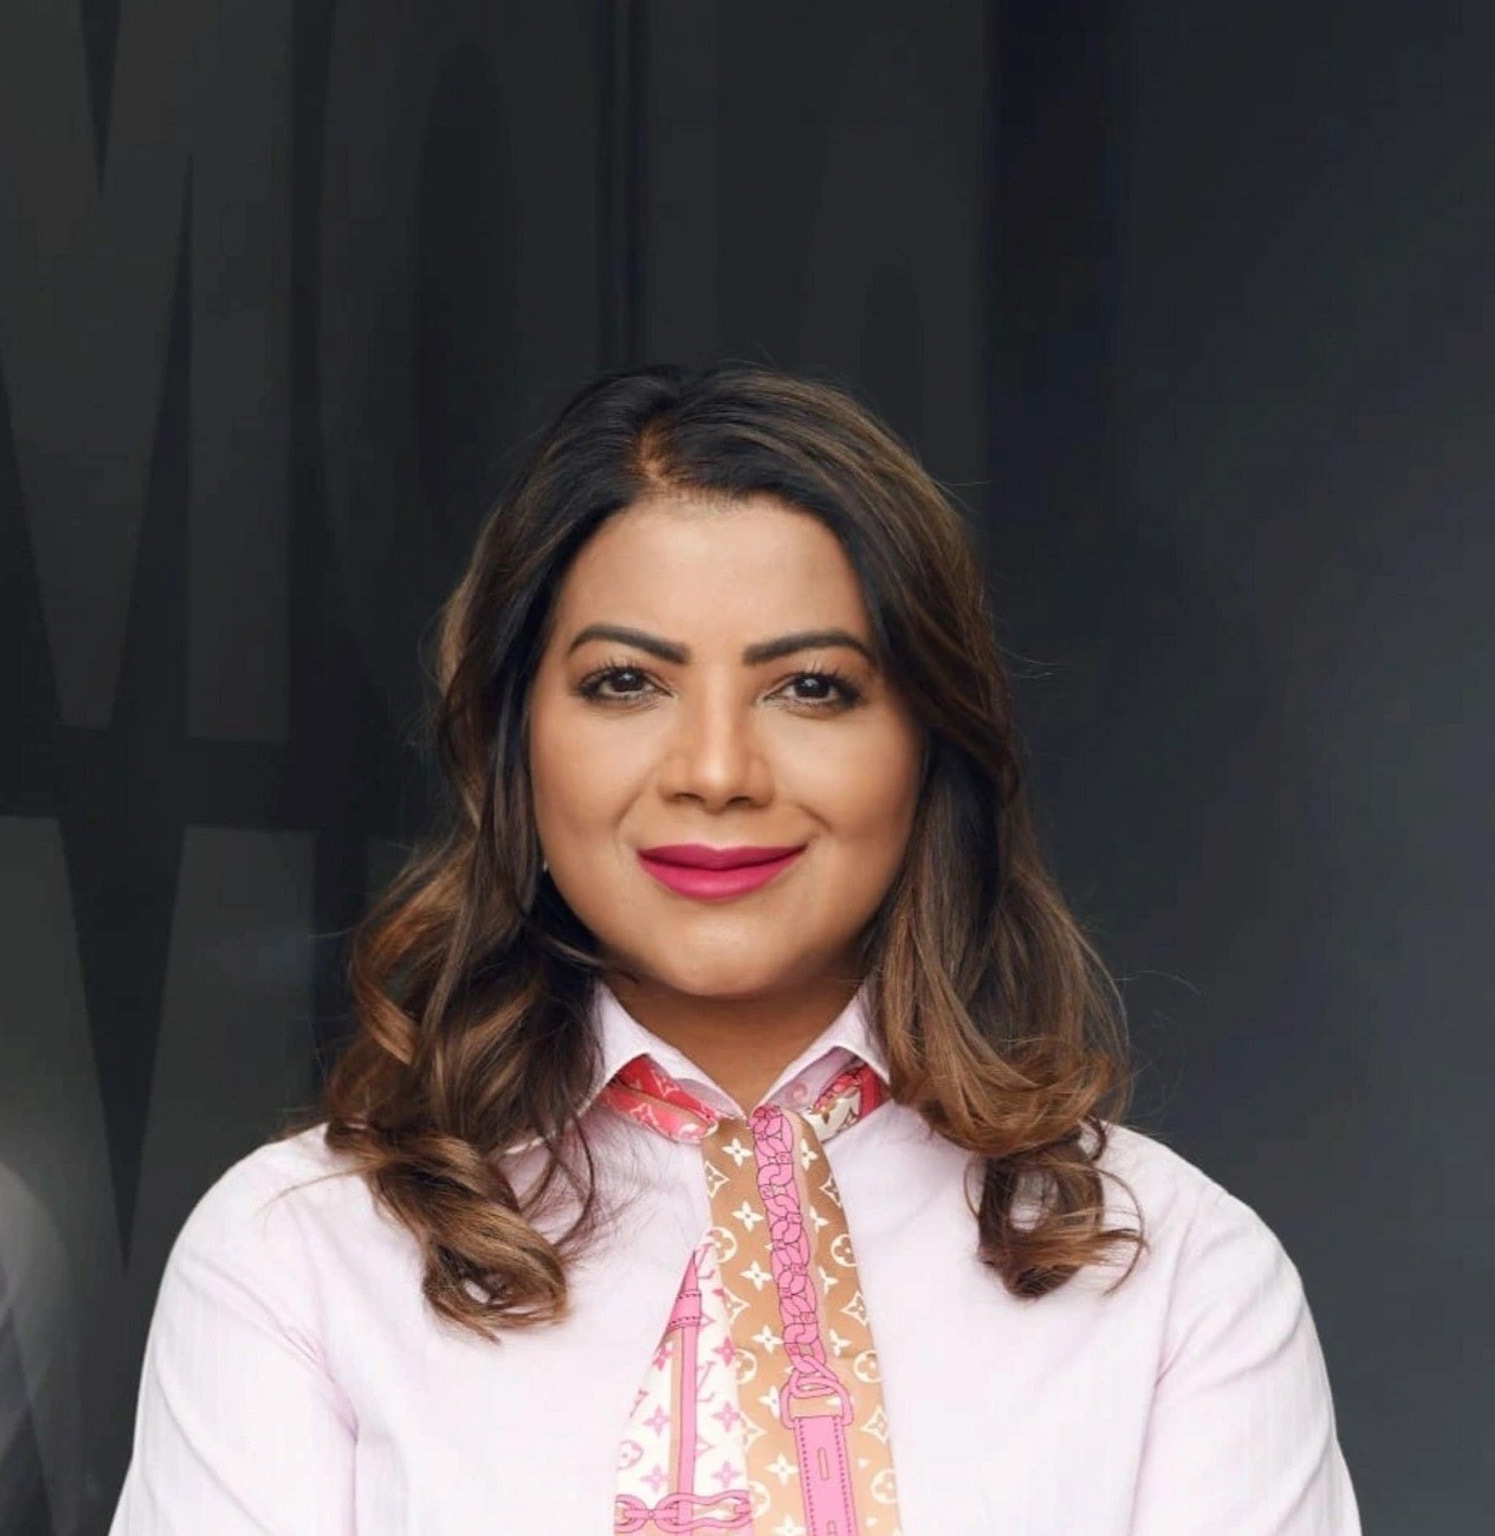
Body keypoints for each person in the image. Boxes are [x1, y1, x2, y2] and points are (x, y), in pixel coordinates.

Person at [108, 363, 1361, 1535]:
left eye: (810, 687)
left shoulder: (1173, 1274)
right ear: (511, 742)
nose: (715, 772)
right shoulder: (304, 1257)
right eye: (625, 684)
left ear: (929, 744)